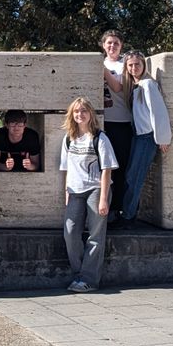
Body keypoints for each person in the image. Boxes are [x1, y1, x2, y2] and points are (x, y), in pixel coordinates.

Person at [59, 97, 117, 293]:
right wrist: (66, 191)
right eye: (76, 111)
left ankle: (89, 280)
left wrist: (103, 199)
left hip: (96, 190)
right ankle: (79, 274)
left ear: (90, 113)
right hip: (75, 191)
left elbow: (107, 169)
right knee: (70, 232)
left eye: (83, 111)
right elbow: (66, 169)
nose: (80, 114)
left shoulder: (100, 138)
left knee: (95, 235)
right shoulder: (69, 138)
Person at [119, 52, 171, 226]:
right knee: (130, 175)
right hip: (137, 136)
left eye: (137, 64)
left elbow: (158, 111)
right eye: (130, 65)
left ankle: (128, 216)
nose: (134, 68)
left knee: (135, 176)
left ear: (143, 65)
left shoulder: (148, 84)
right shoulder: (136, 86)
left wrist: (162, 138)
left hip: (147, 137)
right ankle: (129, 211)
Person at [98, 32, 133, 224]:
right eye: (109, 43)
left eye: (116, 43)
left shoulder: (124, 64)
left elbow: (119, 88)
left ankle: (117, 209)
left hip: (120, 121)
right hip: (100, 122)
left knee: (119, 167)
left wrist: (102, 70)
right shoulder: (98, 62)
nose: (112, 46)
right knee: (102, 168)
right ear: (103, 45)